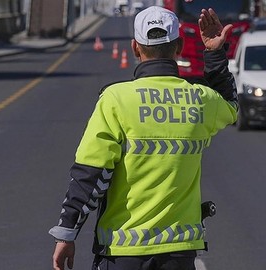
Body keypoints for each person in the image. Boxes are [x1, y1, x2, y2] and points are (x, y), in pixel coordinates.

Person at [49, 6, 238, 270]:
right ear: (180, 47)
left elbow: (91, 173)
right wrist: (214, 53)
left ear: (135, 48)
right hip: (179, 254)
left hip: (121, 252)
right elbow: (231, 105)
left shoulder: (115, 100)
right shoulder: (200, 99)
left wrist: (67, 232)